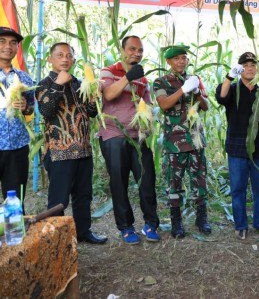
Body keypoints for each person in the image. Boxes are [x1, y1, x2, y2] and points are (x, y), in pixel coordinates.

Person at [36, 42, 107, 244]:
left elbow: (91, 113)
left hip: (84, 151)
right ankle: (55, 239)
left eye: (69, 55)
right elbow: (46, 111)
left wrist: (94, 98)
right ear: (50, 59)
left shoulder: (79, 84)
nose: (65, 59)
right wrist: (59, 84)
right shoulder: (44, 84)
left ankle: (83, 232)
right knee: (59, 200)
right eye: (60, 55)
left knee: (84, 196)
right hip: (59, 154)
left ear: (74, 60)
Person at [99, 35, 160, 244]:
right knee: (119, 183)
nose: (137, 53)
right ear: (122, 50)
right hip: (114, 135)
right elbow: (108, 95)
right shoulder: (108, 71)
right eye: (132, 49)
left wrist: (150, 118)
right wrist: (128, 77)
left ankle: (151, 223)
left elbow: (148, 104)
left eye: (140, 50)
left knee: (147, 180)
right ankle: (125, 227)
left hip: (139, 137)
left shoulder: (143, 78)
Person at [215, 52, 259, 240]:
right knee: (238, 188)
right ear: (240, 68)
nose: (250, 68)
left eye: (253, 65)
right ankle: (240, 224)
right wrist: (229, 77)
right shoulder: (233, 89)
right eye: (246, 65)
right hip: (236, 148)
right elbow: (220, 97)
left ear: (257, 69)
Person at [153, 45, 211, 238]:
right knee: (174, 182)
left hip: (195, 139)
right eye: (176, 58)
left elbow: (205, 106)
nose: (181, 61)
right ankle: (176, 221)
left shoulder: (194, 79)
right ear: (168, 62)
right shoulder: (161, 82)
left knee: (199, 180)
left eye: (184, 58)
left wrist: (195, 91)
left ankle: (201, 218)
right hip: (175, 142)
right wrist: (182, 90)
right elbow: (164, 105)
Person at [0, 27, 34, 207]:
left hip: (16, 147)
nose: (8, 46)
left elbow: (31, 109)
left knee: (14, 201)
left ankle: (14, 235)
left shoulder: (24, 78)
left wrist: (25, 107)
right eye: (2, 41)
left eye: (13, 42)